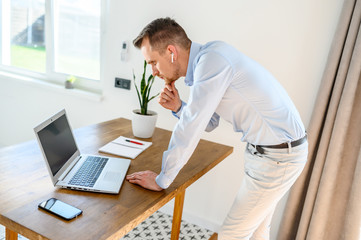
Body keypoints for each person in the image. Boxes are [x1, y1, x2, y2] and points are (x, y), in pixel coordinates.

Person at [126, 17, 308, 240]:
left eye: (153, 62)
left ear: (171, 51)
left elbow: (190, 127)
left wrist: (162, 179)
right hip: (273, 154)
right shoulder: (209, 60)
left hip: (278, 158)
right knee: (259, 231)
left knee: (232, 235)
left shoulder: (212, 62)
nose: (153, 71)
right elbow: (209, 122)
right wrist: (179, 107)